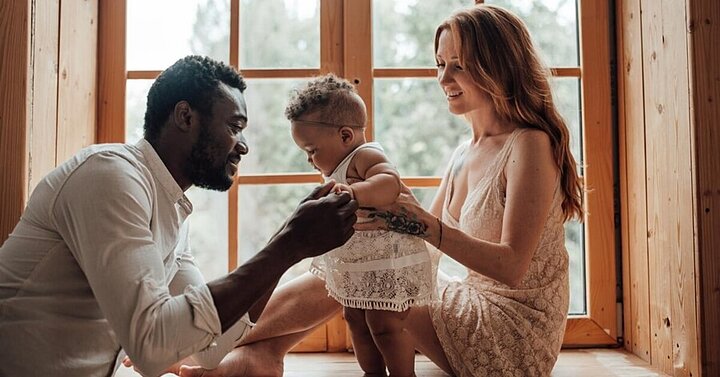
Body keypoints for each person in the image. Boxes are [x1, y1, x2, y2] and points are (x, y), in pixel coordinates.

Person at [179, 4, 583, 377]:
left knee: (368, 269)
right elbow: (425, 250)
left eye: (458, 66)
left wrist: (419, 228)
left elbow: (510, 267)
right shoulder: (466, 152)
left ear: (498, 67)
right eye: (440, 64)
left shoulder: (530, 143)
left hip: (512, 334)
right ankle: (258, 354)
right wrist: (379, 232)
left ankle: (211, 341)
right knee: (361, 259)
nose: (443, 78)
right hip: (473, 306)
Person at [0, 55, 358, 377]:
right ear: (185, 116)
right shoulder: (108, 176)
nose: (243, 146)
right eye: (234, 126)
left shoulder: (172, 212)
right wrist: (288, 245)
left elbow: (210, 349)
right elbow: (152, 346)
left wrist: (288, 239)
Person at [286, 74, 435, 376]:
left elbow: (389, 183)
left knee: (385, 325)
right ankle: (372, 372)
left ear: (345, 136)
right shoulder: (341, 165)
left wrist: (354, 192)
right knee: (354, 318)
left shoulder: (365, 156)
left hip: (387, 261)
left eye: (311, 151)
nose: (310, 161)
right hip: (361, 261)